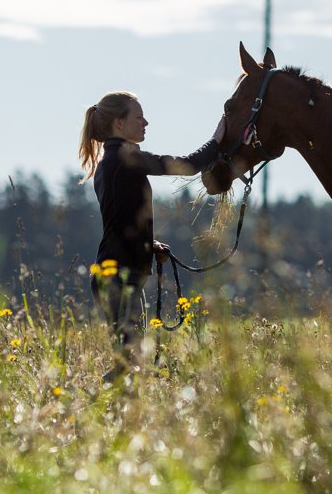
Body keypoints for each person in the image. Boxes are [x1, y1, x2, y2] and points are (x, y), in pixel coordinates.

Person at [78, 91, 225, 378]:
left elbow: (121, 221)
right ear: (119, 123)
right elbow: (185, 165)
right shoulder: (125, 156)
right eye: (138, 116)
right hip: (119, 277)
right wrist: (217, 142)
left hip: (117, 273)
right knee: (131, 365)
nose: (146, 122)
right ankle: (86, 412)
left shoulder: (111, 161)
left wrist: (150, 244)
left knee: (133, 363)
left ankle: (110, 417)